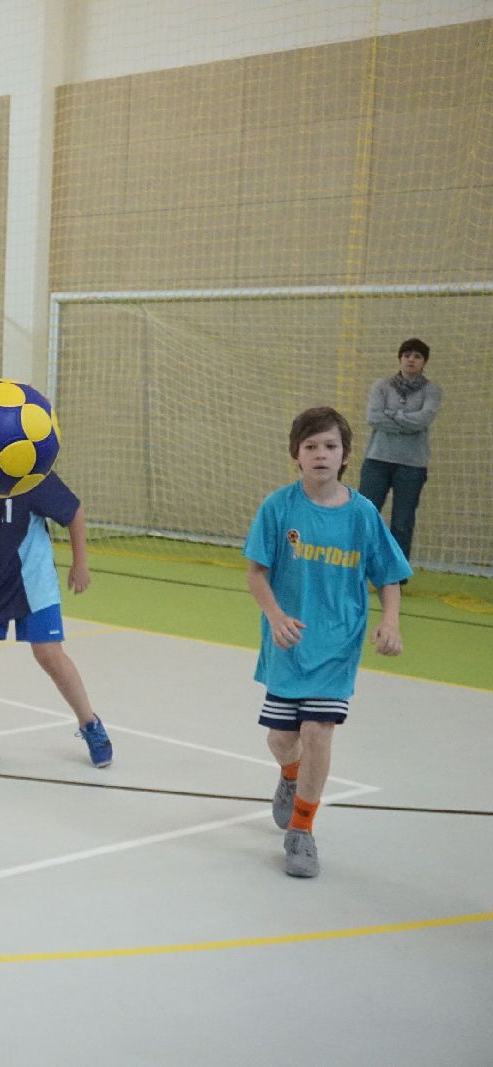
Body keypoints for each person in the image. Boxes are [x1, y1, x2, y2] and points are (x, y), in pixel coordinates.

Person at [245, 406, 409, 879]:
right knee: (282, 738)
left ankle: (302, 830)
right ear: (296, 454)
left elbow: (388, 576)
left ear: (346, 455)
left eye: (330, 446)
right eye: (311, 446)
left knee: (318, 732)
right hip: (289, 643)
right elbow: (256, 572)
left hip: (338, 644)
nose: (321, 454)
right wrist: (276, 616)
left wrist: (391, 621)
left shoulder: (362, 514)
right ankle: (290, 775)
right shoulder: (279, 508)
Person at [0, 471, 112, 769]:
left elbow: (74, 511)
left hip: (33, 579)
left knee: (49, 654)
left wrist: (80, 563)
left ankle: (90, 724)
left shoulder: (33, 472)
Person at [358, 337, 440, 566]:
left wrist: (392, 414)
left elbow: (423, 420)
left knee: (402, 522)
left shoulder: (432, 390)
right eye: (407, 355)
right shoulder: (381, 386)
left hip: (412, 465)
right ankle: (358, 566)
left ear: (424, 362)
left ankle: (395, 574)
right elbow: (373, 417)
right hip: (377, 460)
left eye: (417, 356)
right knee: (365, 515)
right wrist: (407, 421)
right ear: (400, 358)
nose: (411, 360)